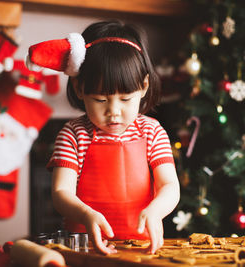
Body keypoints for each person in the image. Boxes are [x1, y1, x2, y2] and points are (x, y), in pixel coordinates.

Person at [27, 20, 180, 255]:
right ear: (79, 89)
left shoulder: (152, 131)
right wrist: (86, 214)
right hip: (84, 247)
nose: (114, 111)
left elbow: (169, 185)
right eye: (100, 100)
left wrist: (156, 211)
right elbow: (60, 193)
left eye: (126, 99)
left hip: (142, 248)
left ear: (143, 86)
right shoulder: (73, 134)